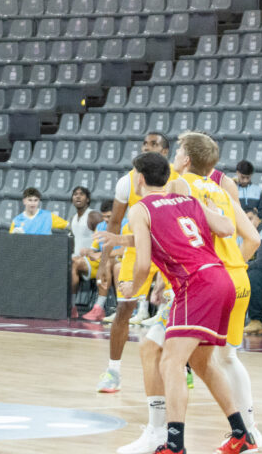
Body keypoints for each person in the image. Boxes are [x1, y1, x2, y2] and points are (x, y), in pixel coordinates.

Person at [123, 152, 256, 454]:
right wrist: (210, 208)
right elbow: (225, 228)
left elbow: (143, 264)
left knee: (170, 362)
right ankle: (242, 433)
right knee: (202, 363)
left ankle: (174, 444)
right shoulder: (189, 201)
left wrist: (134, 287)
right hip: (221, 280)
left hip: (195, 284)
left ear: (139, 178)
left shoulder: (141, 209)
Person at [171, 133, 262, 450]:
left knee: (167, 352)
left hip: (208, 280)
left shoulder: (182, 185)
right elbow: (254, 240)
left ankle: (165, 434)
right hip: (238, 277)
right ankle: (248, 428)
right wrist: (235, 264)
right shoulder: (223, 192)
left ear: (186, 158)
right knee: (228, 357)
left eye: (179, 149)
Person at [96, 132, 176, 393]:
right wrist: (104, 263)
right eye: (145, 143)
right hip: (136, 245)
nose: (147, 147)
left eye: (153, 144)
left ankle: (181, 366)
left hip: (171, 248)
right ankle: (113, 372)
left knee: (178, 309)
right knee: (123, 308)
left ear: (165, 152)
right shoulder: (127, 181)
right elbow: (114, 223)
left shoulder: (178, 180)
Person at [70, 191, 107, 317]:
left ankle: (71, 305)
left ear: (88, 199)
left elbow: (105, 231)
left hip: (95, 260)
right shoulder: (74, 217)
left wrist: (92, 252)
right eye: (75, 194)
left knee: (74, 263)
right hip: (81, 257)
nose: (78, 196)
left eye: (81, 194)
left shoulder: (93, 215)